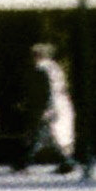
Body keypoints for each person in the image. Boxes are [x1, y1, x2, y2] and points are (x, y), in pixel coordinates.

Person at [16, 40, 80, 174]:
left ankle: (23, 162)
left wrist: (46, 107)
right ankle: (65, 162)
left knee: (41, 134)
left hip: (51, 105)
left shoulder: (42, 69)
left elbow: (46, 90)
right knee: (53, 136)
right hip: (61, 104)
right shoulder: (55, 68)